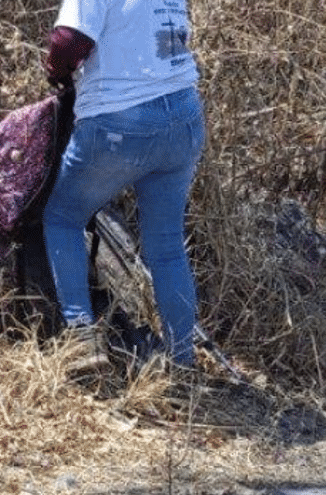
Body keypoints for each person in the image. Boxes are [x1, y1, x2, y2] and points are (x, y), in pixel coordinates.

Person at [39, 0, 206, 371]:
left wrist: (57, 71)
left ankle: (82, 338)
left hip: (120, 121)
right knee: (166, 247)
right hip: (184, 117)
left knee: (63, 218)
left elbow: (68, 42)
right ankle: (182, 360)